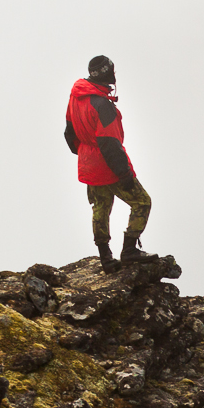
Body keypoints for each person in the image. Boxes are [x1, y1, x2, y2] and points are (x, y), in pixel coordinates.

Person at [64, 55, 153, 272]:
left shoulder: (76, 96)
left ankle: (105, 257)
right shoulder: (102, 104)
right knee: (142, 202)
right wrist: (125, 175)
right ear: (107, 73)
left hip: (88, 164)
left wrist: (84, 152)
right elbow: (110, 144)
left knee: (100, 208)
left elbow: (69, 132)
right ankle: (129, 250)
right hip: (108, 166)